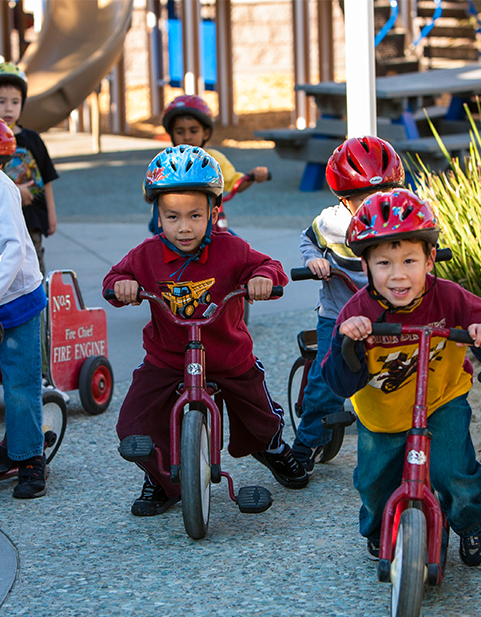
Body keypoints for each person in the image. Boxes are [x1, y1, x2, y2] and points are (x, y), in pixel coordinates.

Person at [103, 146, 307, 517]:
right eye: (173, 216)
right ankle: (163, 478)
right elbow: (115, 277)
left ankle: (273, 447)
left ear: (214, 213)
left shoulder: (230, 248)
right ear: (158, 216)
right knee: (134, 422)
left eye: (196, 216)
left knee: (259, 416)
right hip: (167, 358)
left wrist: (262, 279)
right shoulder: (147, 255)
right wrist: (122, 286)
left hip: (227, 355)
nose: (184, 227)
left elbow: (268, 265)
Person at [321, 189, 481, 566]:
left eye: (409, 260)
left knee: (454, 470)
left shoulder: (449, 297)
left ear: (429, 260)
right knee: (373, 482)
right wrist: (351, 341)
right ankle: (379, 528)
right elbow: (337, 381)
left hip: (441, 400)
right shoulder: (358, 311)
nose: (398, 275)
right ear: (366, 267)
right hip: (383, 414)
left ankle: (471, 521)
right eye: (384, 263)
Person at [292, 136, 405, 477]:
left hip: (387, 312)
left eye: (382, 196)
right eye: (364, 199)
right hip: (340, 314)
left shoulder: (398, 217)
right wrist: (315, 262)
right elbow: (308, 240)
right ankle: (307, 442)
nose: (375, 206)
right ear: (344, 199)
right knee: (326, 377)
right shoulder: (331, 223)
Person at [0, 118, 49, 499]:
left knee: (19, 383)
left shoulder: (3, 190)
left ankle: (30, 458)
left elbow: (14, 249)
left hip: (15, 300)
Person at [150, 94, 269, 233]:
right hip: (169, 220)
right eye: (180, 131)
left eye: (193, 131)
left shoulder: (214, 159)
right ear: (171, 134)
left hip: (206, 218)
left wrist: (253, 175)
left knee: (239, 249)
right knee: (161, 246)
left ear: (205, 133)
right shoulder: (164, 161)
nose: (187, 136)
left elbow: (235, 183)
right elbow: (149, 192)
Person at [0, 62, 58, 274]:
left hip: (31, 219)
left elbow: (47, 177)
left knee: (33, 266)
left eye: (15, 102)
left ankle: (36, 303)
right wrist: (16, 191)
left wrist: (51, 214)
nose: (8, 108)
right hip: (3, 221)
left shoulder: (32, 139)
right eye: (1, 101)